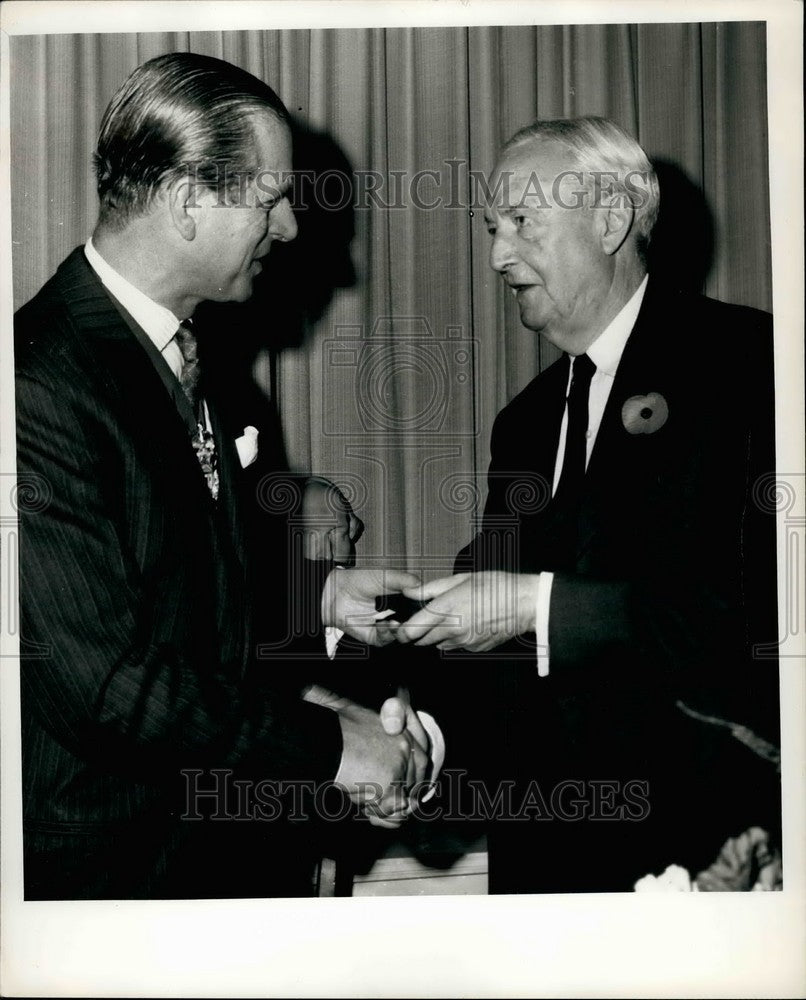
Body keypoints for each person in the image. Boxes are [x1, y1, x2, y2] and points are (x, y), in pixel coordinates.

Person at [14, 52, 434, 901]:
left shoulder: (201, 360)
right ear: (187, 202)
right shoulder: (34, 383)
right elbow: (104, 683)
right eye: (271, 198)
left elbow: (174, 581)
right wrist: (336, 745)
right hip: (114, 885)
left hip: (219, 863)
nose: (287, 228)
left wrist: (317, 597)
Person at [396, 117, 780, 892]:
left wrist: (536, 608)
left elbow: (758, 616)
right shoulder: (525, 422)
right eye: (492, 229)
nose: (499, 255)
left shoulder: (750, 367)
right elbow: (494, 620)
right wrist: (427, 737)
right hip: (545, 867)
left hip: (704, 849)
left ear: (610, 220)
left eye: (523, 223)